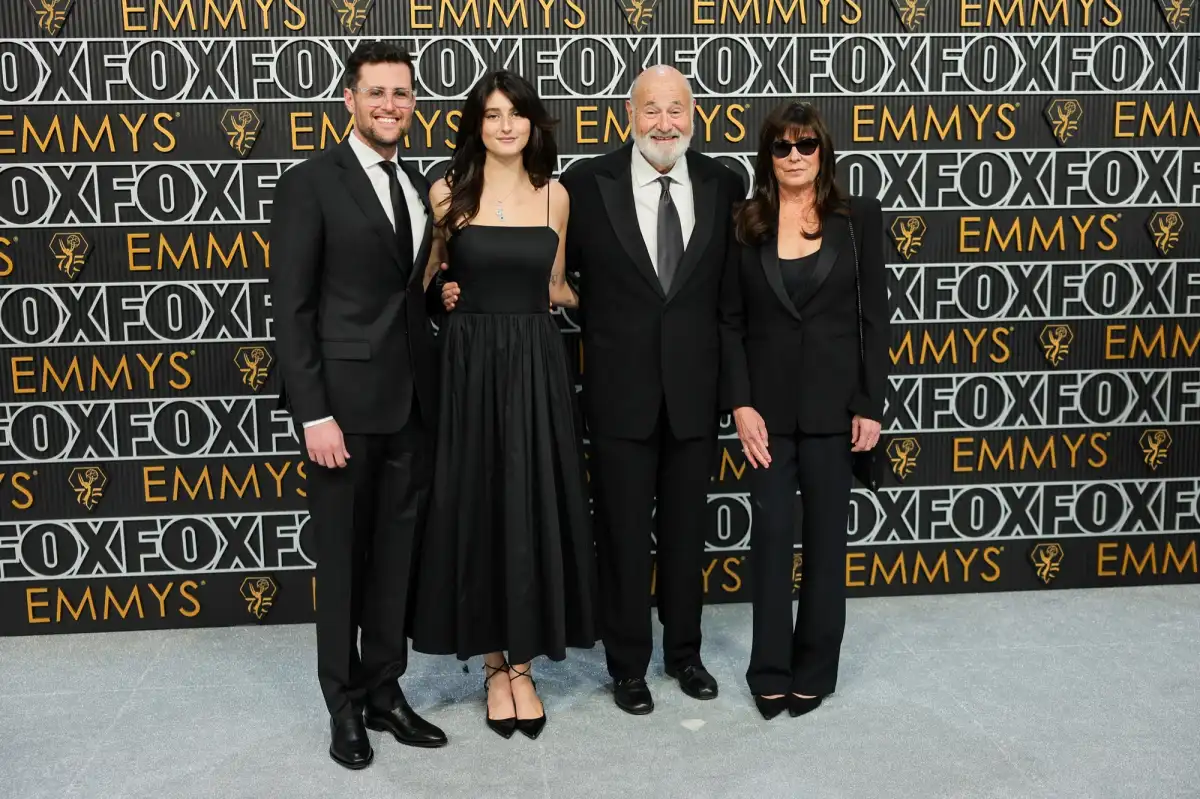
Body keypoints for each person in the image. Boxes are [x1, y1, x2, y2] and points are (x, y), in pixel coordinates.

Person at [443, 65, 744, 715]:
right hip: (616, 392)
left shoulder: (724, 183)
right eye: (650, 109)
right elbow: (545, 271)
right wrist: (463, 288)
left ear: (694, 115)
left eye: (677, 109)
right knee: (622, 537)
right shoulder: (582, 185)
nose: (664, 122)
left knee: (687, 536)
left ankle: (685, 655)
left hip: (695, 392)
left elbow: (728, 301)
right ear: (628, 115)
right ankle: (628, 666)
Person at [268, 41, 448, 769]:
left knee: (395, 562)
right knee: (343, 564)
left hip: (411, 404)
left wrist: (441, 296)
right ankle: (341, 706)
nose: (389, 105)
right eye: (376, 92)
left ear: (413, 103)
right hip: (340, 412)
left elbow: (404, 292)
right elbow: (292, 309)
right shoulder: (310, 183)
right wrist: (313, 413)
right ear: (349, 100)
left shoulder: (417, 185)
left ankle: (384, 691)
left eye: (401, 93)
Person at [408, 69, 596, 741]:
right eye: (491, 115)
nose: (505, 125)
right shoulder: (446, 193)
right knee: (479, 504)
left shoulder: (556, 196)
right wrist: (441, 297)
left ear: (532, 122)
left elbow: (557, 286)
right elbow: (424, 282)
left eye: (515, 113)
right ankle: (493, 668)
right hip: (469, 365)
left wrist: (628, 306)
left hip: (537, 365)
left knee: (529, 503)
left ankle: (523, 667)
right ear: (476, 125)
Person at [719, 100, 888, 720]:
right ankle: (769, 669)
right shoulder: (745, 222)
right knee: (769, 542)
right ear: (767, 157)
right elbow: (729, 322)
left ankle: (815, 669)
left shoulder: (858, 217)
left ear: (823, 152)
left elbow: (875, 317)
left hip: (834, 412)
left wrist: (869, 403)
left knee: (825, 544)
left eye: (806, 145)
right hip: (766, 415)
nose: (794, 156)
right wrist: (740, 403)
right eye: (782, 147)